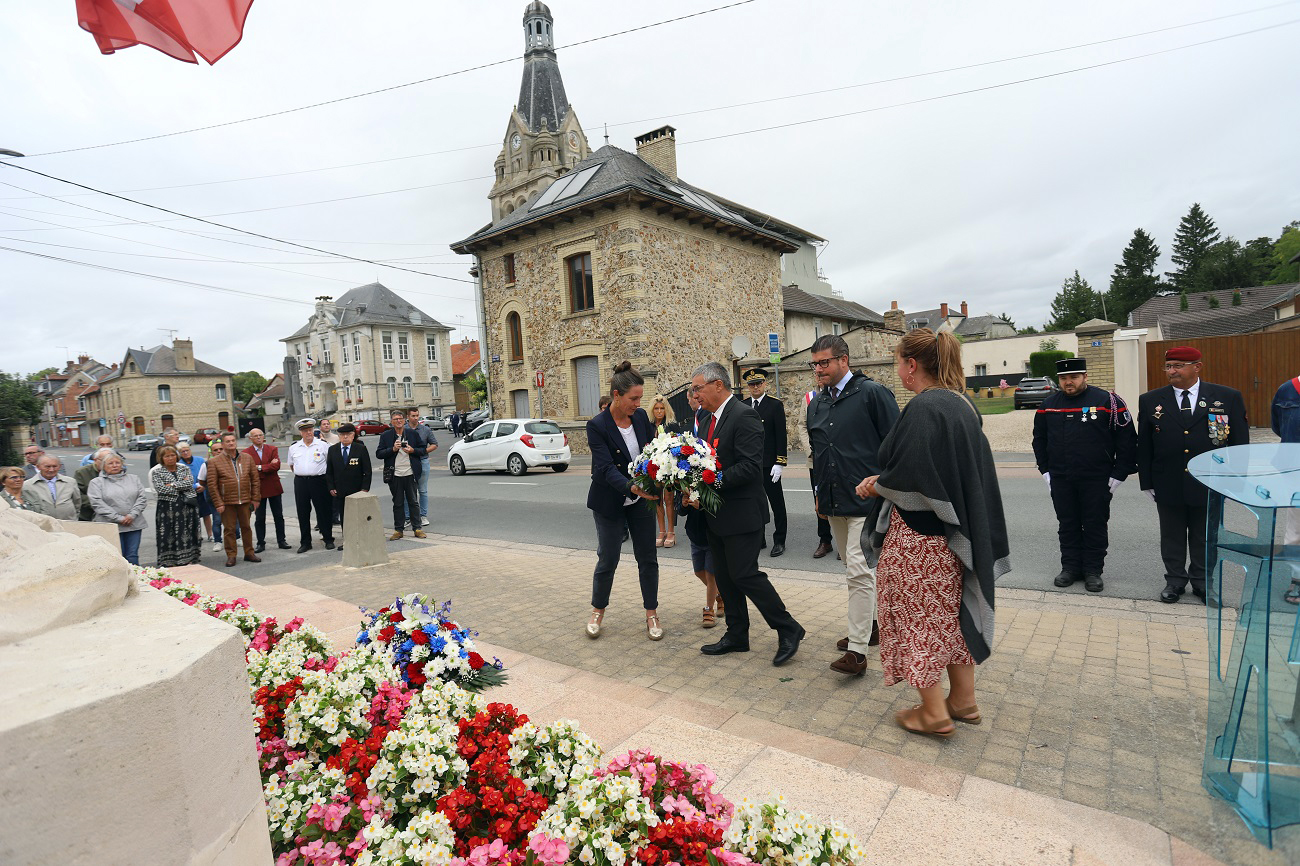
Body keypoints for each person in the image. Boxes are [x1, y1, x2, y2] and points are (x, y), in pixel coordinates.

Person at [857, 328, 1007, 738]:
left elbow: (914, 473)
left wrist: (878, 484)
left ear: (911, 365)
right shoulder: (960, 402)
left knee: (916, 618)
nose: (898, 370)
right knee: (951, 617)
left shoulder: (924, 406)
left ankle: (934, 713)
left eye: (898, 362)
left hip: (919, 538)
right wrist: (887, 481)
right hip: (953, 535)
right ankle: (963, 701)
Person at [691, 361, 804, 666]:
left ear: (718, 384)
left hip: (742, 514)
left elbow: (750, 467)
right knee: (725, 578)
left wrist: (711, 480)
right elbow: (704, 462)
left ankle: (788, 628)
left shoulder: (744, 415)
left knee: (745, 575)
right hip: (716, 514)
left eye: (698, 388)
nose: (695, 394)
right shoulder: (706, 420)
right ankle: (737, 634)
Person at [805, 334, 900, 675]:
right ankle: (870, 626)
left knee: (859, 572)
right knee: (852, 567)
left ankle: (857, 652)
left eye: (824, 362)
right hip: (834, 501)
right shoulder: (816, 403)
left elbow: (897, 445)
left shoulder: (872, 394)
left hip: (867, 502)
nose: (819, 369)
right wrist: (819, 492)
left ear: (844, 360)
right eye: (815, 363)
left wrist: (883, 483)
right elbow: (819, 453)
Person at [1137, 346, 1248, 604]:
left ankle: (1202, 582)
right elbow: (1144, 445)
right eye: (1168, 366)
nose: (1171, 371)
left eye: (1178, 366)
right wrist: (1147, 481)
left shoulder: (1227, 397)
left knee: (1205, 536)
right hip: (1168, 479)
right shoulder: (1151, 400)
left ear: (1197, 367)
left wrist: (1235, 479)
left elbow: (1239, 443)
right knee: (1172, 535)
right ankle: (1174, 581)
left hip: (1210, 480)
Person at [1033, 357, 1138, 594]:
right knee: (1067, 524)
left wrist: (1120, 473)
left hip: (1097, 478)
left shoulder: (1107, 402)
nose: (1068, 382)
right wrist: (1045, 470)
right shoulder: (1048, 405)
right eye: (1063, 378)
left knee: (1094, 524)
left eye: (1074, 377)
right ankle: (1070, 568)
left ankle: (1092, 570)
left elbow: (1127, 439)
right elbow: (1039, 439)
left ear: (1085, 377)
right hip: (1061, 477)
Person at [584, 362, 662, 640]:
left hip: (641, 501)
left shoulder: (640, 418)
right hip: (609, 501)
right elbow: (605, 468)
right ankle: (598, 610)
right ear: (616, 395)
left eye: (640, 398)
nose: (639, 404)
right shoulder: (597, 426)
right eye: (634, 398)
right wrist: (632, 487)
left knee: (647, 558)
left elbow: (652, 452)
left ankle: (651, 613)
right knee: (608, 558)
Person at [682, 384, 721, 627]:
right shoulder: (694, 422)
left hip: (710, 525)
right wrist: (685, 500)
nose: (695, 398)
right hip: (695, 528)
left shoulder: (710, 418)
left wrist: (702, 503)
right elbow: (681, 508)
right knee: (699, 571)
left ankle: (709, 609)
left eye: (698, 393)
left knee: (711, 571)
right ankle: (721, 594)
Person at [742, 369, 789, 557]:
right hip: (750, 464)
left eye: (758, 383)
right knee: (754, 503)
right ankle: (759, 538)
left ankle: (780, 540)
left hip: (769, 464)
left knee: (777, 504)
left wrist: (780, 462)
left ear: (764, 384)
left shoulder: (774, 405)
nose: (755, 387)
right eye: (751, 384)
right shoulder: (743, 405)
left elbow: (780, 435)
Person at [206, 431, 261, 567]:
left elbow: (255, 479)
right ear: (223, 444)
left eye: (233, 441)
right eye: (227, 441)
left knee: (246, 527)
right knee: (229, 529)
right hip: (227, 502)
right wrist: (218, 503)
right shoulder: (214, 462)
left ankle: (249, 553)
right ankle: (231, 555)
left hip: (245, 499)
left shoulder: (247, 458)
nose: (231, 443)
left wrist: (255, 498)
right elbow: (212, 485)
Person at [88, 453, 149, 566]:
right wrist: (118, 518)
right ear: (103, 466)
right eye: (110, 463)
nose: (114, 465)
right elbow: (97, 503)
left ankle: (135, 575)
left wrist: (132, 515)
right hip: (110, 524)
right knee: (116, 556)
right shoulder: (96, 482)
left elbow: (142, 498)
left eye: (117, 463)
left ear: (122, 464)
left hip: (133, 523)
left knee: (132, 555)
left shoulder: (134, 478)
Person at [377, 410, 426, 540]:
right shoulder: (386, 436)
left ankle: (417, 528)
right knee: (398, 503)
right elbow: (379, 453)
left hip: (410, 473)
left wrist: (412, 450)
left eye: (401, 419)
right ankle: (398, 530)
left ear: (404, 420)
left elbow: (423, 450)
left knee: (413, 502)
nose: (399, 421)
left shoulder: (412, 433)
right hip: (395, 474)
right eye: (396, 419)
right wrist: (392, 449)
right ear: (391, 422)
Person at [150, 444, 201, 567]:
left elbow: (189, 483)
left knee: (188, 531)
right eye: (167, 456)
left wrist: (172, 485)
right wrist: (180, 486)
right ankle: (169, 561)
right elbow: (161, 489)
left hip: (187, 506)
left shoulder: (184, 468)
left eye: (173, 455)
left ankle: (189, 558)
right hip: (167, 508)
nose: (170, 458)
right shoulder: (156, 472)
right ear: (161, 458)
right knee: (168, 534)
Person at [288, 418, 335, 552]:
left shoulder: (323, 445)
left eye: (310, 430)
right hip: (301, 482)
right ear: (300, 432)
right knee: (302, 512)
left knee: (323, 511)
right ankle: (305, 542)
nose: (308, 433)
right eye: (305, 431)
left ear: (314, 430)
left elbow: (330, 464)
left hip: (319, 481)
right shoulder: (294, 447)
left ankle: (328, 539)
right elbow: (292, 465)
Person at [1273, 373, 1300, 602]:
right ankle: (1297, 579)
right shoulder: (1288, 390)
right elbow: (1279, 426)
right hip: (1295, 470)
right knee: (1297, 529)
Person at [326, 422, 371, 553]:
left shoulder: (360, 449)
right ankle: (348, 541)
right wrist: (331, 487)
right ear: (339, 436)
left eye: (348, 434)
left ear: (353, 435)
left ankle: (361, 541)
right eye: (342, 435)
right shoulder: (333, 450)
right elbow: (329, 472)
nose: (345, 437)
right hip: (340, 490)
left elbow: (367, 471)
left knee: (359, 517)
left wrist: (365, 488)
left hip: (357, 490)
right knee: (344, 517)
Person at [245, 428, 290, 553]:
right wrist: (268, 466)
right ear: (250, 438)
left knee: (278, 515)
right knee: (260, 517)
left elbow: (276, 466)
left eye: (260, 435)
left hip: (273, 486)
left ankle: (281, 540)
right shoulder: (246, 453)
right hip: (258, 488)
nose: (259, 437)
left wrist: (259, 467)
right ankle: (260, 543)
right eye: (255, 436)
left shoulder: (272, 449)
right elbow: (249, 470)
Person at [804, 387, 834, 559]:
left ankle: (844, 541)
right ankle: (825, 540)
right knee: (820, 500)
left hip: (839, 458)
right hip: (816, 458)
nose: (819, 375)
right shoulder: (810, 398)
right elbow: (802, 425)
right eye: (817, 373)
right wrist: (810, 450)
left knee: (841, 496)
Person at [647, 395, 678, 548]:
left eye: (662, 408)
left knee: (669, 498)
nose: (659, 411)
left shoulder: (672, 425)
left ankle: (671, 531)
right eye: (656, 408)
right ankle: (662, 531)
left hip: (668, 466)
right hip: (653, 467)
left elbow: (677, 445)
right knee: (657, 498)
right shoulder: (648, 426)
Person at [406, 407, 438, 529]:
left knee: (422, 490)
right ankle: (408, 517)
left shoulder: (425, 430)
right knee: (408, 491)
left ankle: (423, 515)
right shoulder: (404, 429)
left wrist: (424, 451)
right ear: (408, 417)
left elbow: (434, 444)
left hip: (422, 460)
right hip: (407, 462)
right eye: (413, 416)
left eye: (417, 415)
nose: (415, 418)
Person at [23, 455, 80, 521]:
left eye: (54, 466)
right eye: (47, 467)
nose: (51, 470)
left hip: (69, 522)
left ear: (59, 466)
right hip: (42, 524)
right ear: (38, 467)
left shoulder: (70, 482)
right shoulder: (27, 485)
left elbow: (77, 503)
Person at [177, 442, 212, 543]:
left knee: (206, 514)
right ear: (179, 453)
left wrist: (203, 486)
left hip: (203, 491)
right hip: (188, 493)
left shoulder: (200, 460)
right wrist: (195, 486)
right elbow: (180, 481)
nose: (185, 453)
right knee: (193, 516)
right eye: (182, 451)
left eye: (187, 450)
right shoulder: (179, 464)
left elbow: (207, 474)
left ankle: (210, 534)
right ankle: (197, 536)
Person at [74, 447, 114, 520]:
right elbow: (78, 495)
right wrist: (100, 504)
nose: (107, 464)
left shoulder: (117, 472)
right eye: (103, 460)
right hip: (89, 515)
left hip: (114, 515)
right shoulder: (82, 473)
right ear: (95, 460)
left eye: (110, 461)